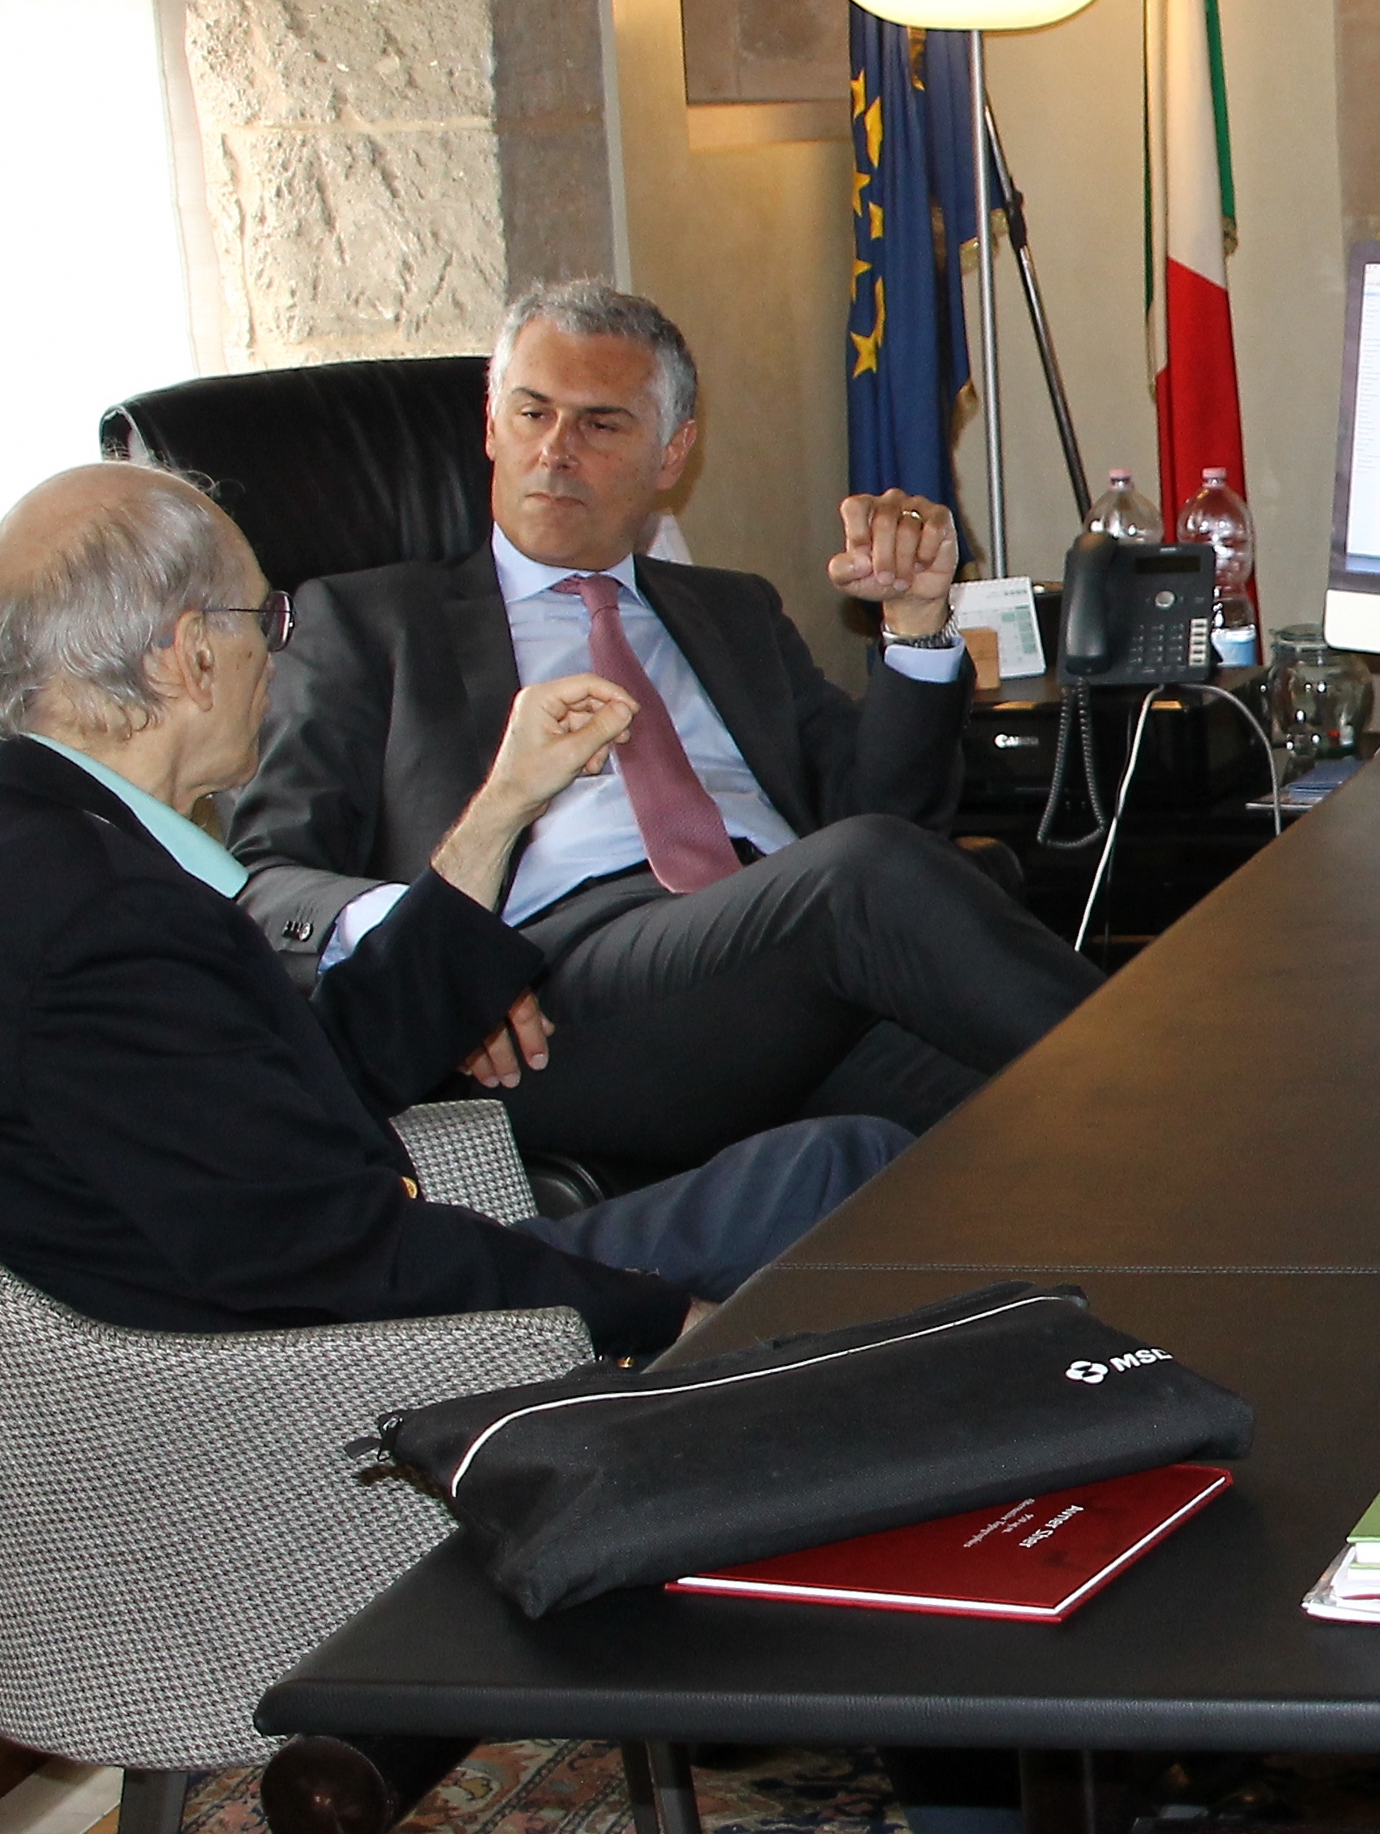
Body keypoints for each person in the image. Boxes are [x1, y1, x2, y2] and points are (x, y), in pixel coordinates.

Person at [0, 465, 903, 1358]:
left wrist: (502, 809)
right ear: (191, 656)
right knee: (861, 1179)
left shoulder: (13, 846)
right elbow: (334, 1255)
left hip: (311, 1313)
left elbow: (312, 1080)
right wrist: (663, 1318)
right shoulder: (103, 923)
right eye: (265, 618)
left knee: (832, 1163)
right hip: (329, 1385)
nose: (274, 653)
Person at [232, 281, 1105, 1170]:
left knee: (1060, 1137)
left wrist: (916, 627)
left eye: (600, 424)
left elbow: (893, 814)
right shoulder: (370, 622)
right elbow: (265, 881)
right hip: (556, 998)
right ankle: (1185, 1066)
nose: (555, 451)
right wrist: (436, 942)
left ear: (671, 453)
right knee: (865, 879)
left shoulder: (734, 611)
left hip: (782, 968)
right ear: (491, 425)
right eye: (532, 413)